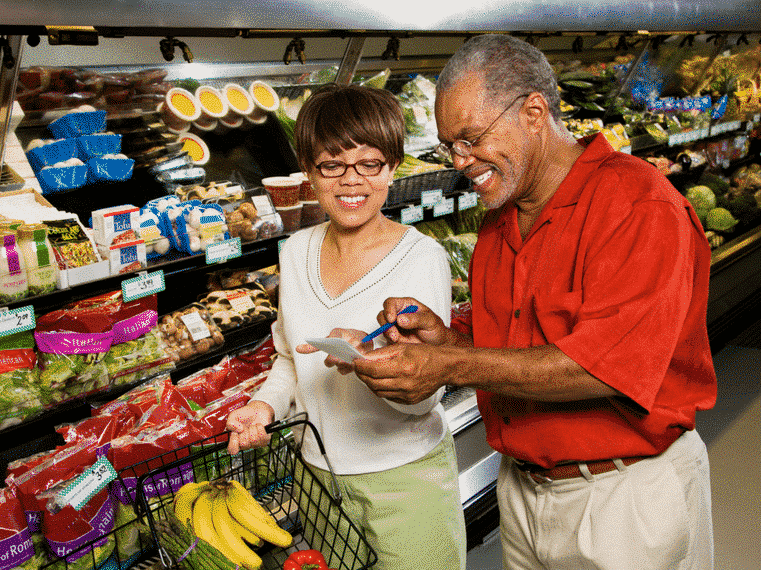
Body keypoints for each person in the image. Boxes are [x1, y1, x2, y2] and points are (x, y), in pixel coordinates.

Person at [351, 35, 717, 570]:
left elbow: (606, 370)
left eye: (471, 138)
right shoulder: (500, 223)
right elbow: (518, 348)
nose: (459, 161)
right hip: (522, 494)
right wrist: (447, 339)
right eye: (451, 144)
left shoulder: (637, 205)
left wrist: (450, 363)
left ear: (533, 112)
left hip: (623, 498)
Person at [225, 83, 467, 570]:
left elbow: (426, 397)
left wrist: (366, 362)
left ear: (393, 165)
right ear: (310, 173)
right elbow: (290, 358)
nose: (350, 182)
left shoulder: (421, 258)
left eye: (369, 164)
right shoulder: (294, 252)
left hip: (404, 483)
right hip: (318, 482)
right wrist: (263, 406)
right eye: (331, 165)